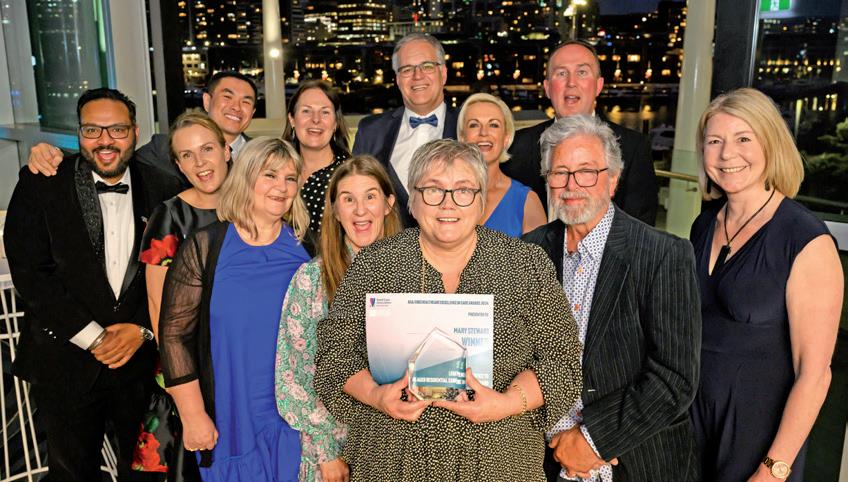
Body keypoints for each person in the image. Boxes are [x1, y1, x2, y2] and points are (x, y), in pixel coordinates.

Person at [315, 139, 583, 481]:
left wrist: (506, 402)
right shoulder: (374, 264)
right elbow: (334, 355)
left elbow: (563, 360)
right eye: (433, 190)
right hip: (393, 463)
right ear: (413, 200)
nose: (448, 203)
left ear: (481, 200)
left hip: (499, 464)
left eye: (463, 190)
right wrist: (377, 395)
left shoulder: (525, 264)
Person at [4, 88, 181, 481]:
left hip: (140, 365)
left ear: (135, 132)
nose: (105, 140)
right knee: (72, 474)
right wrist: (94, 338)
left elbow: (177, 277)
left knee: (148, 474)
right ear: (78, 133)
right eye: (92, 130)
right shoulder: (41, 183)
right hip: (64, 359)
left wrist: (143, 329)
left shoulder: (165, 188)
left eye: (117, 129)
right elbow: (31, 274)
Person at [522, 115, 700, 481]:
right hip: (543, 458)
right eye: (560, 173)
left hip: (634, 460)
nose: (572, 185)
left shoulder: (663, 255)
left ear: (613, 179)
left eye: (587, 172)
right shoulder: (530, 251)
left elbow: (675, 378)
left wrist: (594, 440)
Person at [689, 88, 842, 481]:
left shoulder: (804, 239)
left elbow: (815, 375)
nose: (727, 154)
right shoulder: (704, 225)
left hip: (758, 442)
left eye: (743, 138)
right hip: (691, 430)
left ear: (771, 144)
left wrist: (773, 470)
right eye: (714, 141)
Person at [158, 137, 315, 481]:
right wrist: (192, 414)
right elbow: (173, 335)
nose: (281, 187)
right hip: (230, 418)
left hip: (296, 420)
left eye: (290, 178)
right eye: (270, 175)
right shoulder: (206, 247)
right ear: (245, 177)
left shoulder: (308, 248)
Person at [276, 155, 402, 481]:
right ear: (334, 210)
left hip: (398, 448)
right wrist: (326, 451)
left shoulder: (415, 275)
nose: (360, 210)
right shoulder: (311, 279)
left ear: (388, 204)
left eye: (370, 196)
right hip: (334, 451)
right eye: (348, 199)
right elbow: (294, 374)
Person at [135, 110, 231, 480]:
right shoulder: (169, 216)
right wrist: (183, 385)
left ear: (226, 150)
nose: (200, 162)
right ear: (178, 165)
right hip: (189, 367)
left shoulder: (254, 207)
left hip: (240, 360)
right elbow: (159, 308)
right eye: (187, 155)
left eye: (207, 149)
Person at [506, 40, 658, 225]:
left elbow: (641, 228)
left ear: (598, 85)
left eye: (582, 72)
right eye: (561, 73)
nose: (571, 83)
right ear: (547, 88)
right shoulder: (516, 147)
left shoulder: (633, 148)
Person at [26, 71, 257, 186]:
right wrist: (54, 155)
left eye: (246, 102)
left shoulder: (261, 155)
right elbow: (114, 159)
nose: (236, 107)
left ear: (253, 112)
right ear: (207, 101)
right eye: (227, 97)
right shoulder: (162, 148)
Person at [353, 33, 459, 227]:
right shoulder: (370, 131)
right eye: (407, 69)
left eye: (427, 66)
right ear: (398, 80)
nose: (418, 76)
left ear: (443, 74)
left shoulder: (467, 126)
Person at [457, 93, 546, 236]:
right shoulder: (442, 195)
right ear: (462, 138)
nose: (484, 132)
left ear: (506, 138)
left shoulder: (526, 202)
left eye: (493, 125)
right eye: (474, 125)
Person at [283, 80, 351, 233]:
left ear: (335, 123)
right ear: (292, 119)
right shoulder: (274, 169)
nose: (316, 119)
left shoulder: (350, 174)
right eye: (306, 111)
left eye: (325, 112)